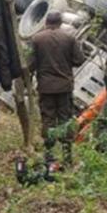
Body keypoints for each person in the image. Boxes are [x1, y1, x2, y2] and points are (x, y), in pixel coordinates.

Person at [29, 11, 86, 168]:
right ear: (60, 23)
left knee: (48, 118)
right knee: (65, 120)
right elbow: (79, 60)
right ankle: (67, 157)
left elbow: (30, 64)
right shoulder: (69, 38)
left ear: (46, 22)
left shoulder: (37, 39)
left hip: (46, 87)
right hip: (64, 86)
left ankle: (49, 156)